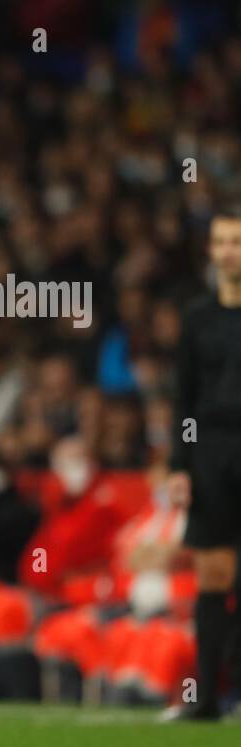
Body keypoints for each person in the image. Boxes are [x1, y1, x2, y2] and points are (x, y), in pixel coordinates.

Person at [164, 205, 241, 720]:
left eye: (236, 241)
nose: (227, 251)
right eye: (220, 242)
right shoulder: (197, 317)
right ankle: (206, 699)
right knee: (212, 574)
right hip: (212, 450)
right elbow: (184, 396)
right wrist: (179, 464)